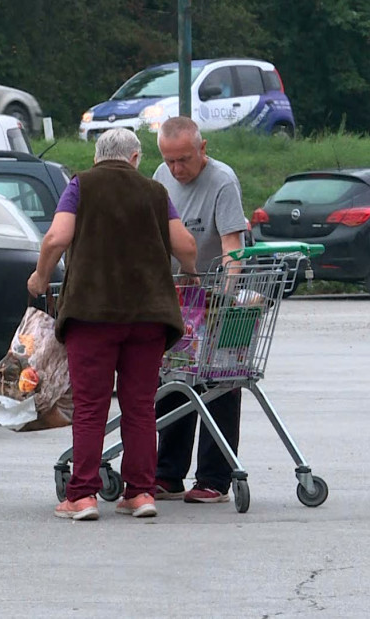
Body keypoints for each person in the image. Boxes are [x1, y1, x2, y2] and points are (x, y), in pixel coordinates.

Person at [27, 128, 197, 520]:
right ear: (136, 159)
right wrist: (189, 273)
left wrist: (39, 278)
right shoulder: (155, 192)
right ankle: (140, 493)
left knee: (91, 407)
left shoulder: (81, 185)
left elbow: (56, 238)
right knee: (140, 407)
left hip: (93, 315)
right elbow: (186, 246)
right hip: (149, 317)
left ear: (96, 158)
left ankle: (83, 496)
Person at [153, 116, 248, 504]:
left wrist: (224, 297)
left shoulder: (223, 181)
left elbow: (232, 246)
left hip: (211, 296)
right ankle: (168, 473)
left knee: (218, 385)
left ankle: (214, 478)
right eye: (170, 160)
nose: (177, 169)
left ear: (202, 149)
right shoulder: (160, 176)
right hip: (176, 298)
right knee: (173, 380)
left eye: (184, 160)